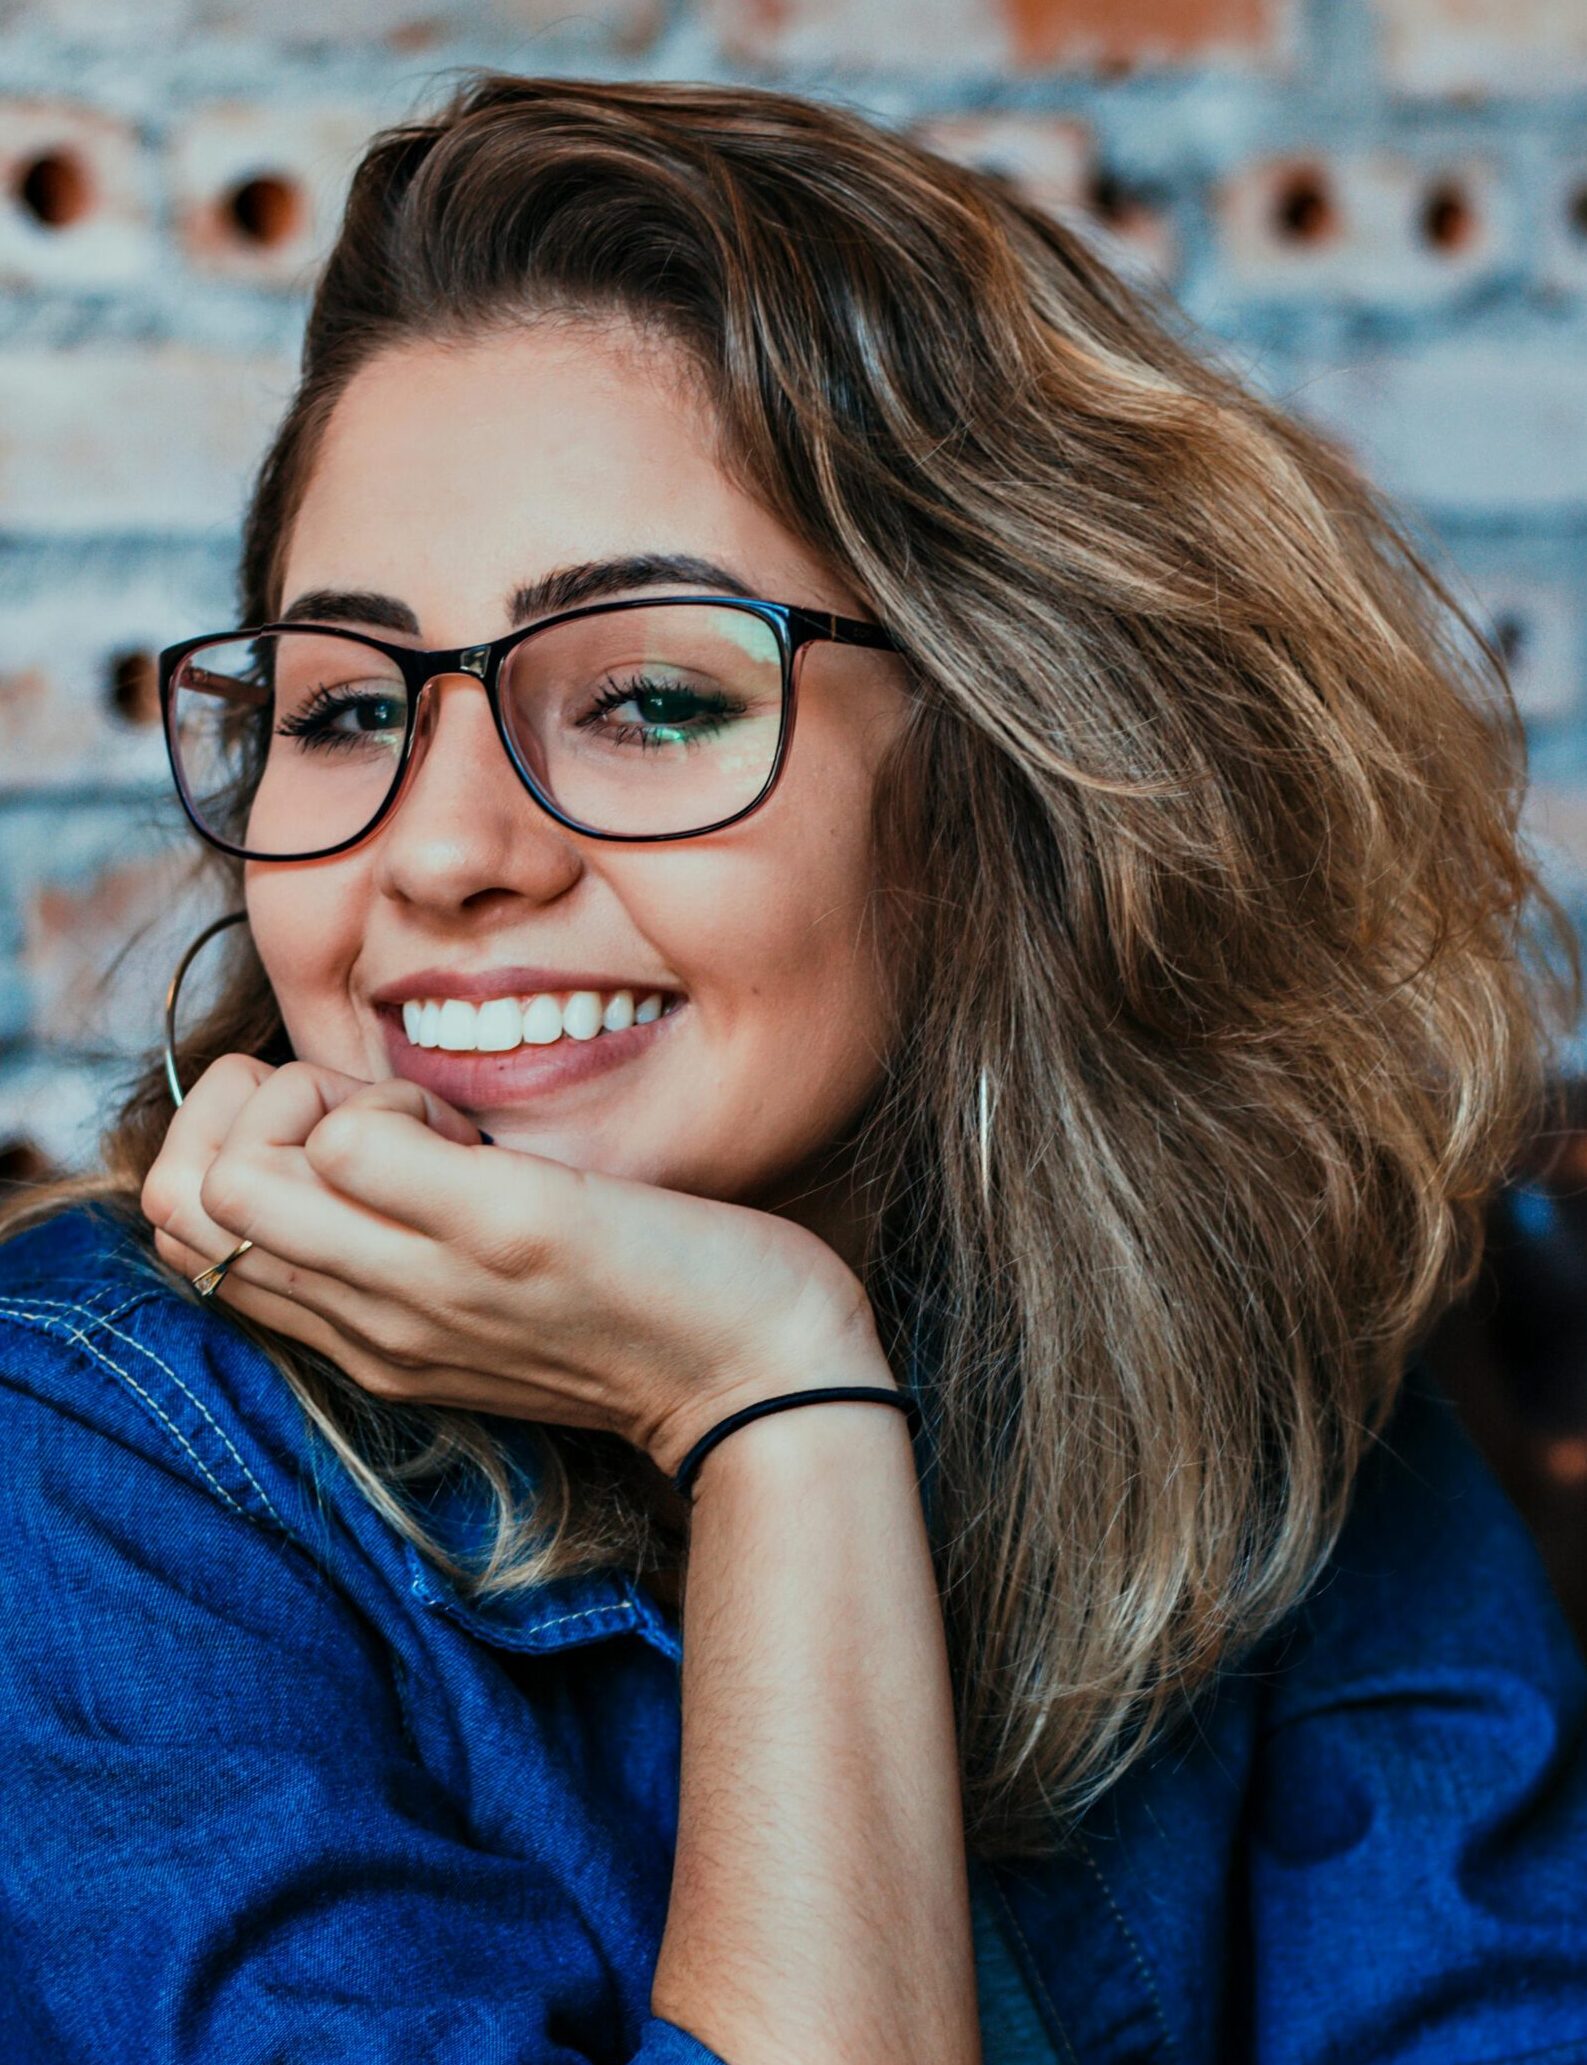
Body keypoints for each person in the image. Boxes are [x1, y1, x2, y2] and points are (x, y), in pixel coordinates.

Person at [2, 71, 1585, 2065]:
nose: (441, 847)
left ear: (999, 786)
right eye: (343, 708)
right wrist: (773, 1406)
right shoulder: (83, 1471)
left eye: (651, 695)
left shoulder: (1266, 1376)